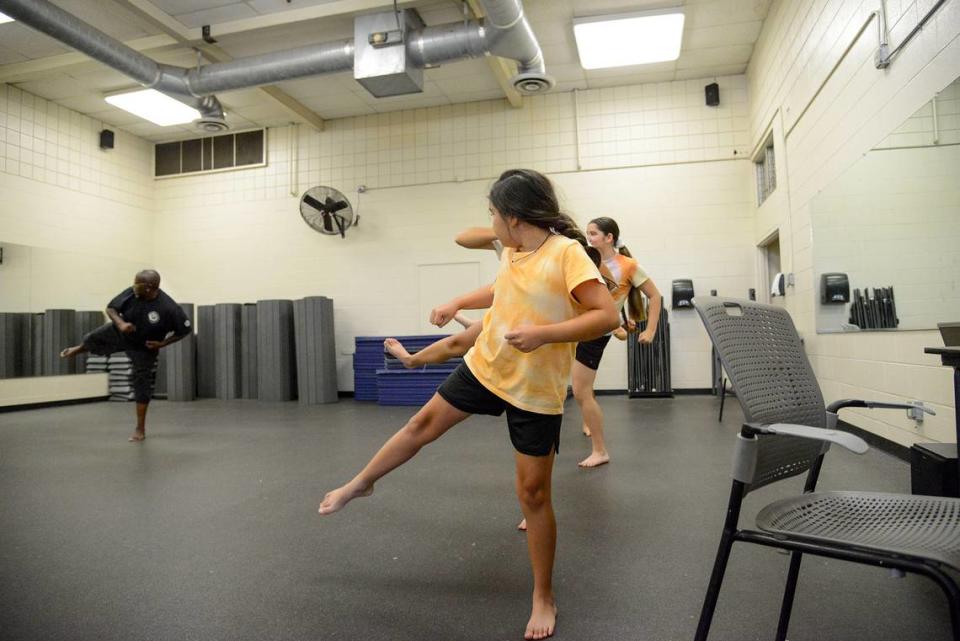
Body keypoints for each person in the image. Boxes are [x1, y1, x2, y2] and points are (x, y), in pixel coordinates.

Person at [319, 169, 620, 640]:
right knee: (421, 424)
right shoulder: (516, 250)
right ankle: (362, 482)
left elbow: (606, 316)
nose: (490, 222)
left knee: (533, 496)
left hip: (535, 388)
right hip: (488, 366)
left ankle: (543, 595)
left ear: (514, 217)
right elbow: (502, 292)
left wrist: (542, 335)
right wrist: (458, 298)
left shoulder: (567, 254)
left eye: (493, 214)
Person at [60, 269, 191, 442]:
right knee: (93, 338)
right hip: (121, 332)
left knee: (142, 383)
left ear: (150, 287)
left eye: (138, 284)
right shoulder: (132, 292)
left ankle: (140, 428)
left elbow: (184, 331)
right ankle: (79, 348)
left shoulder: (169, 308)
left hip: (144, 346)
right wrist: (121, 324)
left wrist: (162, 344)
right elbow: (111, 308)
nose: (134, 286)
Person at [575, 217, 662, 468]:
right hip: (576, 324)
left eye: (593, 233)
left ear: (609, 237)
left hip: (595, 330)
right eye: (588, 233)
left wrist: (651, 329)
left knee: (581, 390)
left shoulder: (628, 265)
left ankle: (600, 451)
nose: (589, 237)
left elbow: (655, 296)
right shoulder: (586, 259)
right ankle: (586, 418)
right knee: (581, 387)